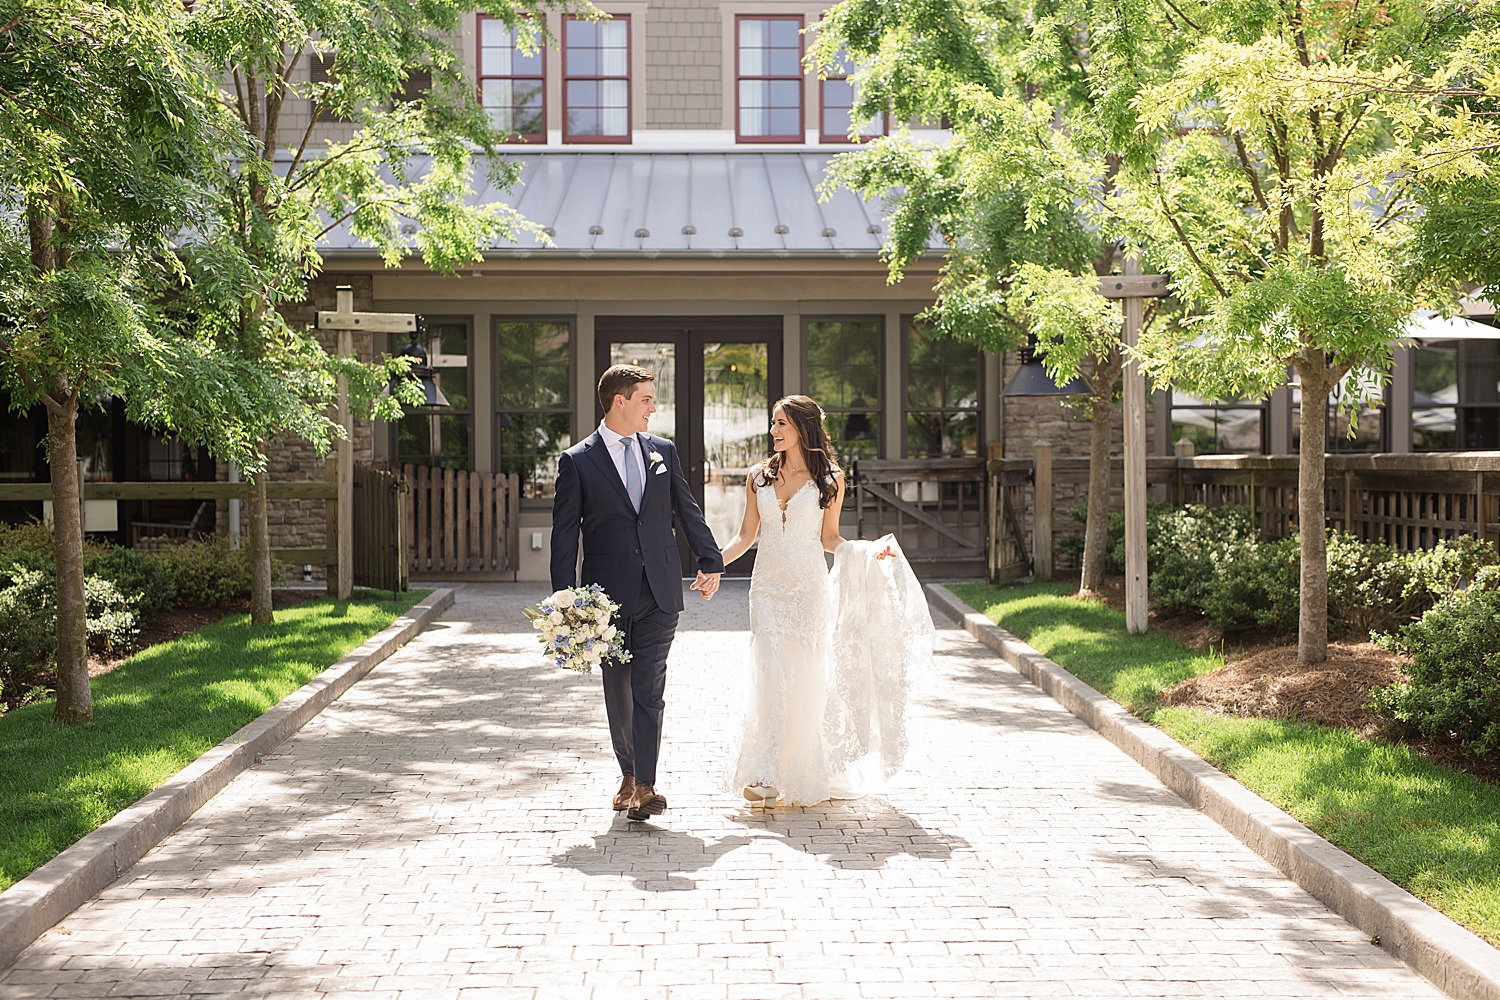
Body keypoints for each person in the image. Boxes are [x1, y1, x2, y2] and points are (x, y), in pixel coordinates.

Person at [717, 395, 934, 806]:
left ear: (802, 426)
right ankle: (764, 771)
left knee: (804, 676)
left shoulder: (830, 478)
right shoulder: (758, 475)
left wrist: (869, 552)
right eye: (772, 423)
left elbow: (829, 539)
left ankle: (799, 769)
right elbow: (746, 537)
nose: (773, 431)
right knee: (769, 670)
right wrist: (712, 563)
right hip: (765, 588)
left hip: (808, 589)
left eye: (781, 423)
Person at [551, 365, 724, 822]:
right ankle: (627, 773)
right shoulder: (577, 461)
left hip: (660, 590)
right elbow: (565, 538)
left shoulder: (662, 450)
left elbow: (686, 508)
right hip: (606, 598)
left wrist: (711, 559)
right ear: (620, 401)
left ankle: (645, 785)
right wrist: (564, 605)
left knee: (650, 687)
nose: (653, 406)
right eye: (646, 398)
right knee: (620, 689)